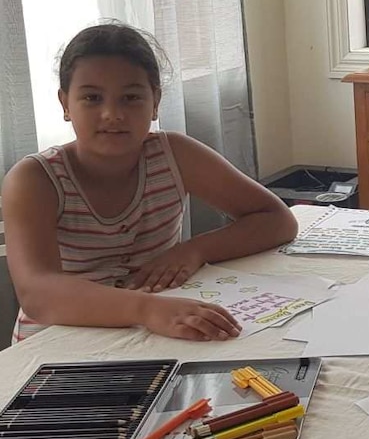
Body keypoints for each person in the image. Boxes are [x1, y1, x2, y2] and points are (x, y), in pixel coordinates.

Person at [2, 23, 299, 343]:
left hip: (155, 330)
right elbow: (38, 292)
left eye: (131, 97)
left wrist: (194, 249)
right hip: (56, 341)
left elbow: (277, 220)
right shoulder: (35, 178)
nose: (112, 114)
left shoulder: (174, 155)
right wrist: (147, 309)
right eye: (91, 97)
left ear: (155, 101)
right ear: (65, 104)